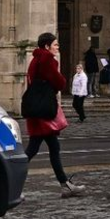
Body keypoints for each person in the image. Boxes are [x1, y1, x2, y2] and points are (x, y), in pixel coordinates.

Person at [24, 33, 87, 198]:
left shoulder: (34, 60)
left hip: (36, 109)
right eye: (56, 45)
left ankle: (65, 184)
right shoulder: (47, 60)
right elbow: (60, 82)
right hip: (44, 111)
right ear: (47, 46)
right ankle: (9, 182)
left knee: (47, 148)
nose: (58, 47)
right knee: (35, 150)